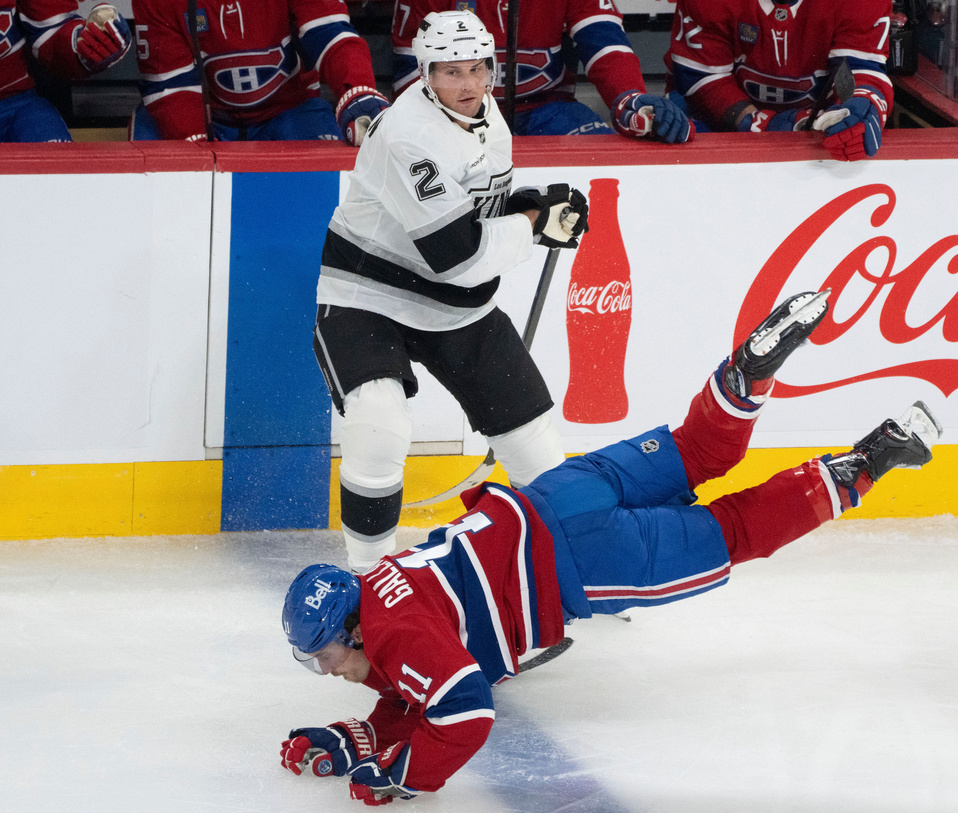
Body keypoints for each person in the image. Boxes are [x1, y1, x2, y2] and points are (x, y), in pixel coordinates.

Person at [279, 289, 944, 805]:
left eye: (328, 656)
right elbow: (416, 683)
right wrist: (359, 738)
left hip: (585, 559)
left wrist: (408, 779)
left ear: (355, 632)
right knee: (695, 447)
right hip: (558, 493)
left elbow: (463, 708)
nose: (330, 671)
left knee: (733, 532)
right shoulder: (385, 591)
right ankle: (746, 376)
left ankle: (869, 460)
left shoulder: (392, 638)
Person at [313, 10, 588, 573]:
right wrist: (533, 226)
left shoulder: (489, 118)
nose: (467, 85)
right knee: (377, 424)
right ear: (425, 74)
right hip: (369, 294)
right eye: (450, 72)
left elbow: (475, 213)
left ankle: (585, 561)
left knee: (536, 446)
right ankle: (372, 579)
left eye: (477, 69)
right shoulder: (406, 135)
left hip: (456, 307)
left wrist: (532, 204)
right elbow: (458, 256)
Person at [391, 0, 693, 143]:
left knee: (596, 152)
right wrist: (448, 125)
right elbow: (410, 73)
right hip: (455, 114)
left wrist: (630, 97)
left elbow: (605, 43)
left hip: (549, 109)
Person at [129, 0, 389, 143]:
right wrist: (194, 143)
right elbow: (172, 85)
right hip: (212, 118)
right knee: (152, 140)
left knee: (320, 193)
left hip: (290, 110)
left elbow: (329, 35)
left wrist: (356, 89)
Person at [665, 0, 894, 162]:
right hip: (717, 131)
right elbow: (703, 79)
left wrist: (864, 101)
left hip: (819, 139)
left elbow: (858, 69)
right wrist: (760, 124)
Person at [1, 1, 131, 142]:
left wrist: (83, 44)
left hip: (16, 104)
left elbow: (50, 31)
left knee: (53, 157)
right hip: (14, 102)